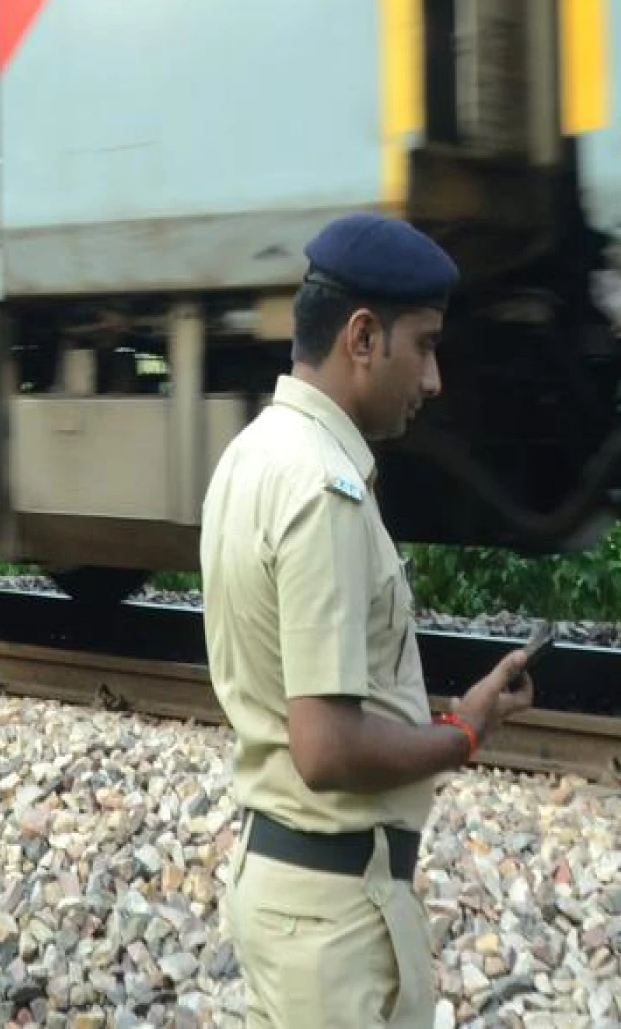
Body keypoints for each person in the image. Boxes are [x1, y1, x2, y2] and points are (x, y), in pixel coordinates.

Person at [200, 213, 537, 1027]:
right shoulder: (325, 490)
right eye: (422, 345)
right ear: (361, 337)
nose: (434, 379)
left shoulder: (253, 453)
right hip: (335, 925)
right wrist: (463, 731)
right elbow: (325, 747)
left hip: (294, 896)